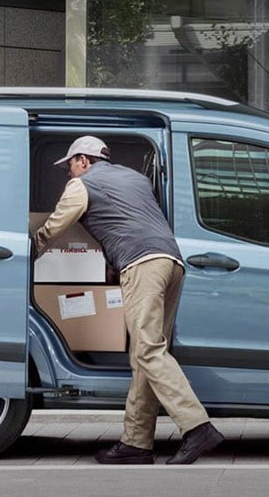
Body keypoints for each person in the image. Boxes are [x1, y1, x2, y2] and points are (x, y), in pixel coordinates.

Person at [33, 135, 224, 465]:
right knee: (144, 354)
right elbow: (128, 220)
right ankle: (136, 443)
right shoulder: (135, 179)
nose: (69, 173)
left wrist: (28, 252)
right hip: (171, 262)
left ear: (84, 160)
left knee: (148, 350)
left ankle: (197, 427)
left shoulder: (82, 185)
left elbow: (53, 227)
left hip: (142, 264)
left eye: (70, 165)